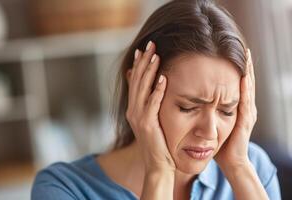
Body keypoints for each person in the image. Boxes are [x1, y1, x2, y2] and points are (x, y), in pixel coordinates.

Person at [31, 0, 281, 199]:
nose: (209, 132)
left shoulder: (253, 169)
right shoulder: (62, 189)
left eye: (226, 111)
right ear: (140, 87)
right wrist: (159, 171)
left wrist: (238, 168)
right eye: (188, 107)